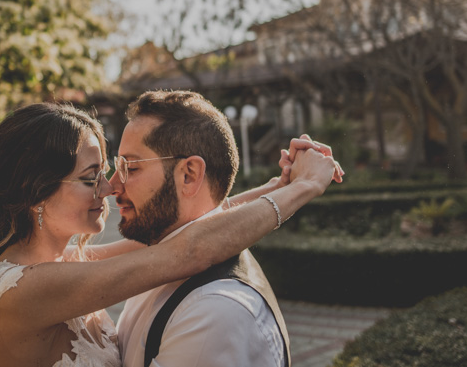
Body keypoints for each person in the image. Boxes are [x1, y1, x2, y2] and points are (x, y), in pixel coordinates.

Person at [0, 100, 341, 367]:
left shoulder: (59, 266)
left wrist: (278, 184)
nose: (109, 188)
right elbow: (187, 253)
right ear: (34, 190)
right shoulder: (26, 289)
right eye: (92, 178)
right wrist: (305, 188)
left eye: (121, 169)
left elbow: (188, 232)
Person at [113, 89, 318, 367]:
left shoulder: (213, 312)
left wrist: (299, 187)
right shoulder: (158, 258)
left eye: (131, 167)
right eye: (117, 165)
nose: (112, 185)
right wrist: (278, 188)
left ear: (189, 175)